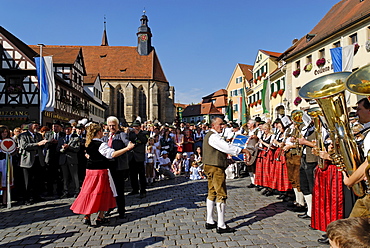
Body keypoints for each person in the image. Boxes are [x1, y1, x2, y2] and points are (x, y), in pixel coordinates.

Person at [70, 122, 134, 226]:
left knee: (89, 192)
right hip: (100, 171)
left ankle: (88, 215)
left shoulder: (88, 143)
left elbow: (89, 155)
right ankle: (100, 216)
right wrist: (127, 148)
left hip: (90, 171)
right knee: (104, 193)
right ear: (99, 132)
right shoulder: (101, 144)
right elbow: (111, 154)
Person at [203, 117, 250, 233]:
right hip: (215, 168)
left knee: (212, 192)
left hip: (210, 165)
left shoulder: (210, 135)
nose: (222, 126)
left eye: (223, 124)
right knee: (221, 194)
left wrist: (225, 160)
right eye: (220, 124)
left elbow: (218, 151)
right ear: (213, 125)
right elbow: (227, 147)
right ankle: (221, 225)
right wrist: (243, 150)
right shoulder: (213, 136)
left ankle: (209, 220)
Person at [101, 116, 131, 219]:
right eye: (110, 125)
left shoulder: (121, 135)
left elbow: (127, 143)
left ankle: (121, 210)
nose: (112, 127)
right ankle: (109, 207)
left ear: (117, 125)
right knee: (108, 189)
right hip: (107, 167)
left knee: (119, 189)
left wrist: (129, 145)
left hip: (118, 166)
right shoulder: (105, 137)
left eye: (114, 125)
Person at [18, 122, 48, 205]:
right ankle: (27, 198)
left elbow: (41, 146)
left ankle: (36, 196)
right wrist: (37, 144)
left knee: (37, 179)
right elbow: (24, 146)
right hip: (28, 160)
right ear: (30, 126)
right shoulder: (23, 135)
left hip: (38, 159)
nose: (37, 127)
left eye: (37, 125)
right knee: (27, 181)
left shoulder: (38, 135)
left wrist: (45, 143)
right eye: (35, 125)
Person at [58, 124, 80, 198]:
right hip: (63, 159)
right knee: (65, 177)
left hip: (72, 159)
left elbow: (77, 148)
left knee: (74, 176)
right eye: (66, 129)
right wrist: (62, 149)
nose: (67, 131)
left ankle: (76, 191)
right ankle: (65, 191)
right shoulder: (61, 138)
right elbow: (57, 149)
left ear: (71, 130)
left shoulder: (75, 138)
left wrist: (69, 147)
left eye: (68, 129)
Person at [128, 120, 149, 198]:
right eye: (134, 126)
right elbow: (130, 141)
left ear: (140, 127)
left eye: (136, 126)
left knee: (141, 174)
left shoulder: (144, 133)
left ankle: (143, 190)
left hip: (139, 156)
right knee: (132, 174)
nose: (135, 128)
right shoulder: (131, 133)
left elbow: (144, 140)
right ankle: (135, 189)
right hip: (131, 156)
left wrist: (138, 134)